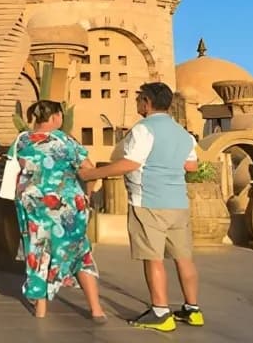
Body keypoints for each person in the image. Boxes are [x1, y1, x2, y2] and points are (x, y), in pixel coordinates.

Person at [80, 82, 202, 332]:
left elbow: (129, 164)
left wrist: (93, 173)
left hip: (149, 202)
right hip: (178, 203)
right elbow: (191, 166)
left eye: (138, 99)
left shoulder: (143, 130)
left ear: (147, 102)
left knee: (153, 258)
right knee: (183, 257)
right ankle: (192, 310)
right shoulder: (183, 133)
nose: (137, 104)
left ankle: (160, 312)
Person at [11, 100, 106, 322]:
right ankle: (96, 309)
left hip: (34, 205)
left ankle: (41, 310)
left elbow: (24, 165)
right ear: (55, 117)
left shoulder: (22, 140)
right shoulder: (66, 141)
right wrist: (88, 194)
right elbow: (88, 169)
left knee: (38, 252)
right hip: (67, 205)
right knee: (80, 251)